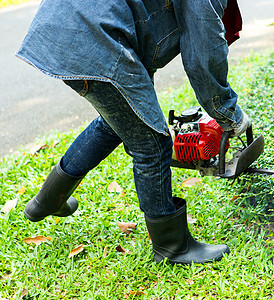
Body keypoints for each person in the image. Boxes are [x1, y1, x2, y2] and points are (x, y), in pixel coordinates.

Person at [16, 0, 251, 264]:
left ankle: (47, 200)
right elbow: (203, 55)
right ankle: (172, 247)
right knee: (151, 143)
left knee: (117, 122)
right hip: (96, 35)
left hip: (61, 28)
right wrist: (229, 114)